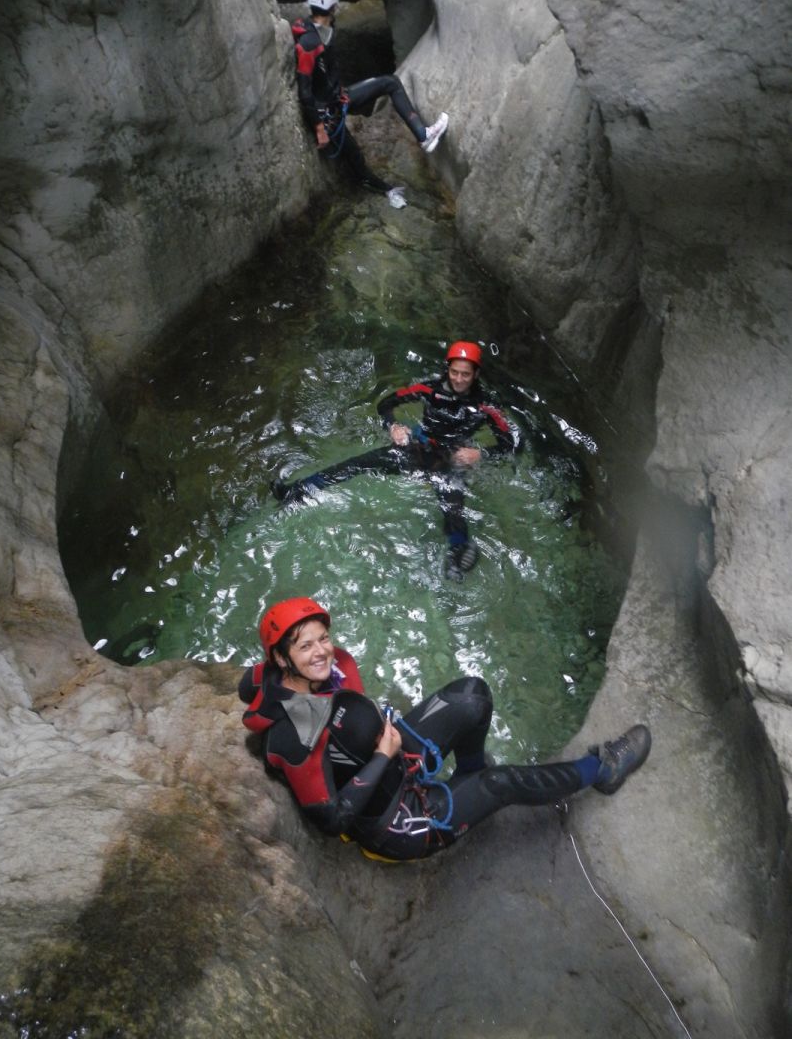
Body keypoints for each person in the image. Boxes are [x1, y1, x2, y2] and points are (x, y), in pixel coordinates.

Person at [239, 597, 652, 862]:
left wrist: (388, 748)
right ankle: (600, 771)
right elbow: (332, 820)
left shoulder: (287, 678)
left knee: (473, 695)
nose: (322, 651)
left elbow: (251, 683)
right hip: (396, 819)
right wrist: (383, 754)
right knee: (500, 783)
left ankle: (468, 773)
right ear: (282, 657)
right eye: (305, 645)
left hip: (394, 754)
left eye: (323, 638)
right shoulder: (296, 735)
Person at [271, 341, 516, 580]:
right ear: (447, 369)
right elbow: (385, 405)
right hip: (416, 448)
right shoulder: (428, 389)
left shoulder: (486, 406)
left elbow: (512, 443)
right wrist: (394, 426)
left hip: (450, 460)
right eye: (454, 372)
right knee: (355, 464)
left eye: (465, 374)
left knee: (452, 507)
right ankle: (297, 490)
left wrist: (480, 453)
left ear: (476, 374)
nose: (459, 379)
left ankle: (458, 553)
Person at [294, 0, 449, 210]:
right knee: (356, 159)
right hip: (327, 115)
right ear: (334, 5)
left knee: (390, 83)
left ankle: (423, 135)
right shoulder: (307, 44)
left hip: (340, 98)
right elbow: (305, 92)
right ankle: (387, 191)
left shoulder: (324, 29)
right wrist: (319, 128)